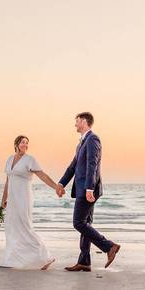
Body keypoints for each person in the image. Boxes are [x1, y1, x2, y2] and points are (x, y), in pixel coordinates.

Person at [58, 112, 120, 271]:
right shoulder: (81, 143)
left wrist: (89, 188)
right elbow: (72, 167)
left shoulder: (93, 139)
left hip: (88, 189)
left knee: (78, 223)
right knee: (86, 224)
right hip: (82, 188)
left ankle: (109, 246)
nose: (75, 124)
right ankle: (84, 262)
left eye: (77, 121)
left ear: (84, 122)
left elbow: (92, 164)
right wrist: (61, 183)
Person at [0, 135, 64, 269]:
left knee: (25, 226)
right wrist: (4, 198)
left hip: (24, 197)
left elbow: (43, 176)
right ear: (16, 143)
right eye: (23, 142)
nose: (25, 145)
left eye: (27, 143)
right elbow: (8, 180)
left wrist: (56, 187)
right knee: (11, 227)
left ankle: (45, 257)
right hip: (13, 199)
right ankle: (12, 260)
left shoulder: (30, 159)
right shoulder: (10, 159)